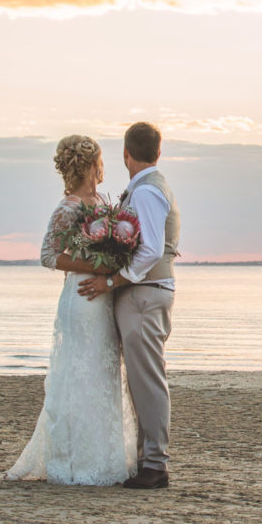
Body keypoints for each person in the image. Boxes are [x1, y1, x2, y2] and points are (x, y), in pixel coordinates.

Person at [5, 135, 137, 486]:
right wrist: (97, 266)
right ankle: (75, 461)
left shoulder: (105, 203)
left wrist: (113, 263)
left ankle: (108, 457)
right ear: (93, 165)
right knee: (81, 374)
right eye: (101, 161)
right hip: (82, 299)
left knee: (104, 372)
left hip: (104, 298)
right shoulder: (69, 206)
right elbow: (48, 256)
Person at [78, 121, 180, 490]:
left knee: (148, 380)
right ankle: (146, 461)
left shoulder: (148, 192)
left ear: (126, 153)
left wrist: (113, 280)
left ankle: (155, 465)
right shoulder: (144, 188)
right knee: (141, 381)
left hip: (144, 293)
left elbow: (151, 248)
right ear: (157, 150)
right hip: (143, 292)